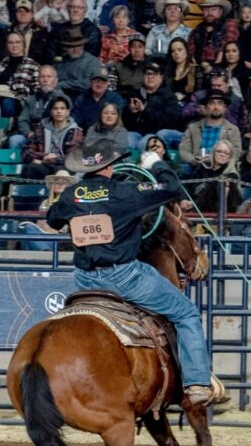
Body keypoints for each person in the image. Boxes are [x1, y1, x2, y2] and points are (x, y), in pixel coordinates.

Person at [46, 139, 225, 406]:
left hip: (84, 279)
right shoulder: (127, 192)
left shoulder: (72, 194)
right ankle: (197, 383)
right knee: (186, 313)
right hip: (124, 276)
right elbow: (173, 188)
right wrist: (156, 163)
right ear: (109, 168)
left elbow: (53, 218)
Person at [21, 94, 84, 180]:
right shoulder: (41, 129)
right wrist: (46, 155)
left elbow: (72, 157)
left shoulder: (75, 131)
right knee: (30, 168)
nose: (59, 111)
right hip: (44, 167)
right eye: (55, 108)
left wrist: (45, 161)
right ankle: (29, 193)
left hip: (63, 167)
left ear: (67, 112)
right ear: (51, 111)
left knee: (61, 172)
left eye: (62, 108)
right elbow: (26, 152)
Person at [122, 59, 182, 149]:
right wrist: (131, 112)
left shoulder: (168, 96)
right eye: (147, 74)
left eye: (154, 74)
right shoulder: (136, 93)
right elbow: (127, 122)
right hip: (136, 132)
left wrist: (145, 110)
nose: (150, 77)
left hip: (156, 134)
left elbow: (170, 121)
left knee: (143, 144)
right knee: (126, 140)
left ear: (161, 77)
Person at [179, 92, 244, 174]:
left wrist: (214, 160)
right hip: (196, 167)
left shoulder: (233, 129)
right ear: (206, 108)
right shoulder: (193, 128)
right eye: (211, 103)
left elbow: (236, 153)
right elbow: (183, 150)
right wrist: (194, 161)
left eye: (220, 103)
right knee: (179, 169)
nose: (216, 107)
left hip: (221, 169)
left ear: (224, 108)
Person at [11, 64, 62, 150]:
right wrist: (28, 133)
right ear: (38, 80)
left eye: (49, 77)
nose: (45, 80)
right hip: (33, 135)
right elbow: (22, 119)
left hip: (53, 136)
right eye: (42, 77)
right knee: (15, 139)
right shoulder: (31, 99)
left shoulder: (62, 99)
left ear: (55, 80)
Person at [190, 139, 243, 215]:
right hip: (195, 208)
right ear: (213, 153)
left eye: (226, 153)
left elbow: (211, 196)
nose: (222, 154)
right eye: (219, 151)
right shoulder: (202, 168)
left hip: (215, 214)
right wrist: (184, 200)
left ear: (230, 158)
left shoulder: (231, 175)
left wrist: (193, 203)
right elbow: (189, 186)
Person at [55, 28, 103, 99]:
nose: (75, 49)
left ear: (83, 46)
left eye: (78, 46)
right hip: (60, 97)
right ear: (66, 48)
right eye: (71, 46)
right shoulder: (60, 61)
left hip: (84, 98)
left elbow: (89, 83)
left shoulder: (92, 61)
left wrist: (63, 84)